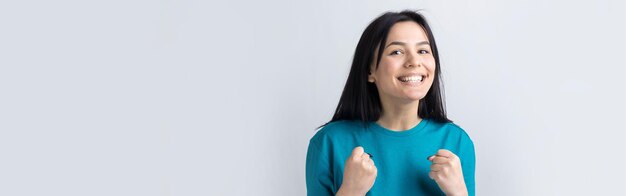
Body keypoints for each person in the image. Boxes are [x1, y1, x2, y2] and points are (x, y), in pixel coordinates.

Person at [305, 10, 475, 196]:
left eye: (423, 51)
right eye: (397, 51)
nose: (414, 61)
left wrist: (459, 192)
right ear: (370, 70)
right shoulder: (329, 143)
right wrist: (351, 191)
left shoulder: (457, 141)